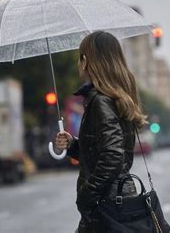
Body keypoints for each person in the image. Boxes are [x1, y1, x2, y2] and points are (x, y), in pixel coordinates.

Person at [54, 31, 147, 233]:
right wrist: (72, 145)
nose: (78, 64)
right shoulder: (116, 97)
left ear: (85, 61)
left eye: (80, 58)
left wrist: (87, 195)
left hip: (106, 204)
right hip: (116, 199)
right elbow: (102, 152)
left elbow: (113, 157)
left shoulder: (100, 101)